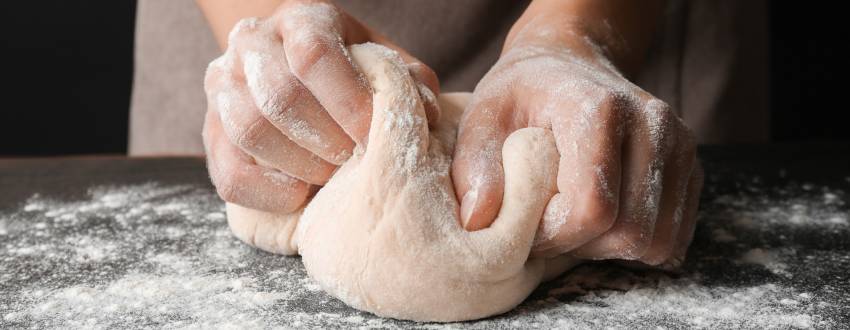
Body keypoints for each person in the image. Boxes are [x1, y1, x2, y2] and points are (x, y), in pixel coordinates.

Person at [129, 0, 768, 267]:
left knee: (608, 187)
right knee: (276, 126)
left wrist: (575, 31)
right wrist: (272, 37)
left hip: (626, 36)